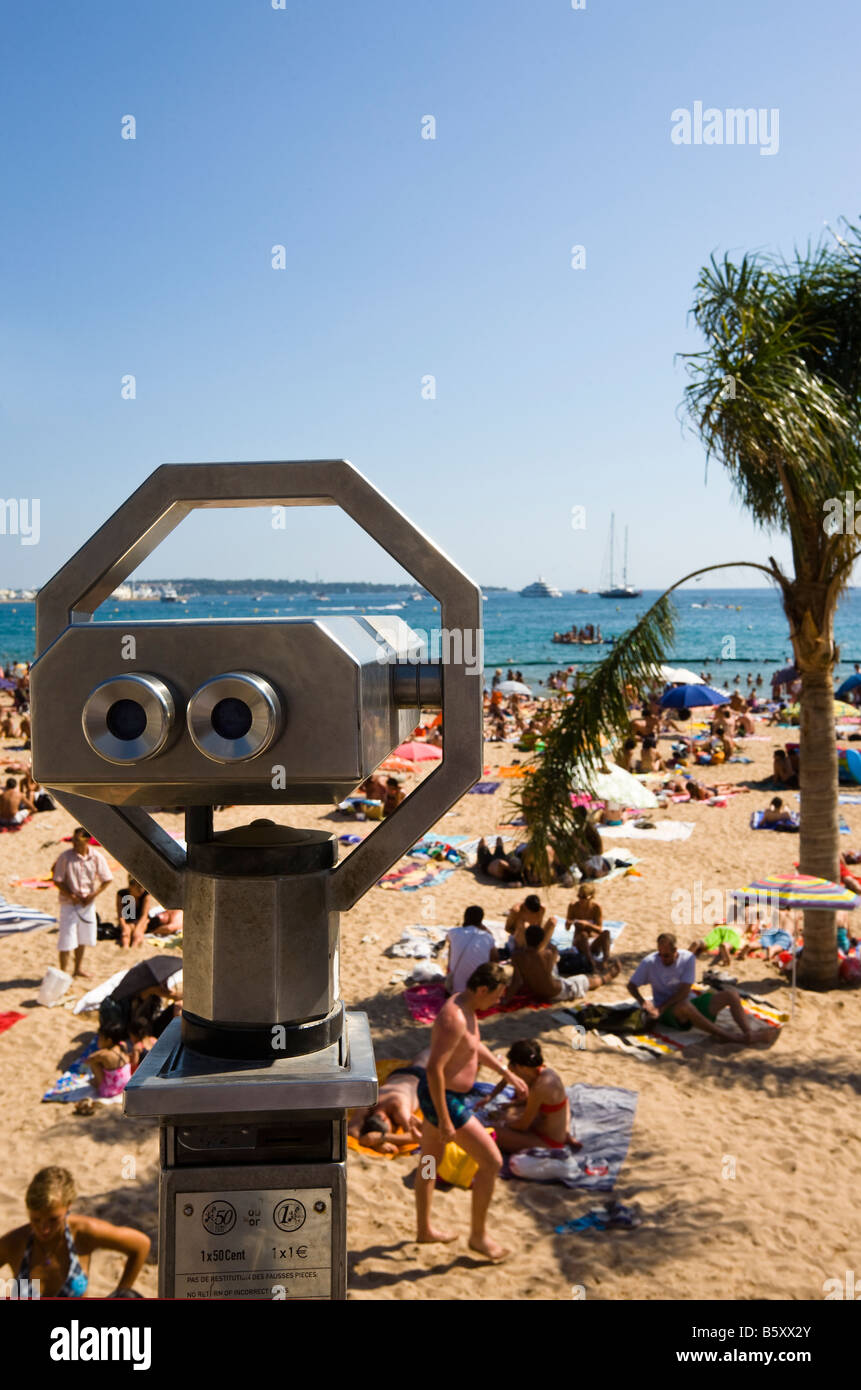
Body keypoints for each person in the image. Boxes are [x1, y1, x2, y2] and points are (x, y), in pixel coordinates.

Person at [415, 962, 527, 1260]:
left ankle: (424, 1229)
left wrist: (507, 1072)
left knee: (429, 1161)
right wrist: (445, 1121)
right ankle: (478, 1238)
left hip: (445, 1098)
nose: (499, 1000)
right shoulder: (454, 1018)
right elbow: (434, 1070)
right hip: (444, 1099)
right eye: (498, 994)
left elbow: (474, 1047)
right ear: (481, 989)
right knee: (491, 1162)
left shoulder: (468, 1009)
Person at [0, 1167, 150, 1298]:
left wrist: (121, 1290)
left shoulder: (84, 1233)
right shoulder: (15, 1243)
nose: (44, 1228)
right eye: (36, 1220)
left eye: (53, 1219)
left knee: (128, 1296)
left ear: (68, 1207)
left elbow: (141, 1245)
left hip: (76, 1330)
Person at [627, 933, 761, 1044]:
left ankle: (748, 1033)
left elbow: (684, 991)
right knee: (684, 1005)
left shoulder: (687, 958)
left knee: (731, 995)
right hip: (669, 1010)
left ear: (675, 950)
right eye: (660, 954)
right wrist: (643, 1002)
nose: (662, 958)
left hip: (686, 1003)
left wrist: (660, 1008)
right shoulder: (650, 962)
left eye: (666, 955)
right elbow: (631, 985)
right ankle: (728, 1037)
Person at [480, 1039, 578, 1152]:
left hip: (548, 1141)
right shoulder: (546, 1072)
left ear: (522, 1067)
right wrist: (492, 1098)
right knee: (506, 1111)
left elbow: (523, 1125)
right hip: (548, 1127)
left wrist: (504, 1124)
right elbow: (505, 1081)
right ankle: (565, 1135)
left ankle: (562, 1139)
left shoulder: (540, 1087)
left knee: (488, 1132)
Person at [52, 827, 113, 978]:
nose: (73, 843)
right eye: (73, 839)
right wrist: (71, 895)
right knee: (66, 940)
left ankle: (77, 969)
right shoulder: (65, 857)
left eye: (77, 840)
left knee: (82, 937)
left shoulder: (96, 857)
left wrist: (94, 894)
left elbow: (107, 878)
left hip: (87, 903)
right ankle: (63, 972)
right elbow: (57, 880)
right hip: (69, 903)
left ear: (86, 841)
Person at [508, 923, 618, 1003]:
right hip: (555, 991)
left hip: (539, 991)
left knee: (569, 976)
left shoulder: (517, 956)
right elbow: (550, 965)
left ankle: (601, 972)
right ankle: (607, 977)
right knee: (584, 980)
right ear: (542, 940)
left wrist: (506, 1000)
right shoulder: (547, 954)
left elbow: (516, 981)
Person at [349, 1049, 430, 1153]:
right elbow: (352, 1130)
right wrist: (375, 1142)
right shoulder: (369, 1104)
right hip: (398, 1076)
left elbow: (415, 1136)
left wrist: (381, 1138)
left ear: (384, 1119)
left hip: (419, 1076)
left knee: (428, 1059)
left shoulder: (398, 1109)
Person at [446, 906, 498, 993]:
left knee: (451, 945)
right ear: (481, 920)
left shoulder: (453, 932)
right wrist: (487, 931)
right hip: (479, 991)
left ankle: (452, 971)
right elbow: (495, 959)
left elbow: (447, 939)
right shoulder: (487, 936)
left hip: (454, 989)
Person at [88, 1014, 133, 1099]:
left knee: (94, 1064)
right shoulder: (123, 1045)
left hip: (110, 1091)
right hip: (126, 1084)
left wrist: (99, 1052)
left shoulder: (104, 1054)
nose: (98, 1041)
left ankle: (99, 1084)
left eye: (100, 1038)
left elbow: (88, 1060)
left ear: (108, 1041)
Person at [117, 877, 152, 949]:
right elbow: (120, 915)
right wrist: (124, 927)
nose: (141, 890)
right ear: (130, 887)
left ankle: (134, 948)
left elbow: (144, 915)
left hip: (142, 920)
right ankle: (125, 949)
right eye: (138, 887)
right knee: (125, 934)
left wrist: (138, 929)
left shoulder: (145, 895)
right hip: (129, 919)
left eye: (142, 887)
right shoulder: (122, 894)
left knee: (137, 934)